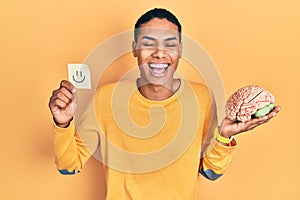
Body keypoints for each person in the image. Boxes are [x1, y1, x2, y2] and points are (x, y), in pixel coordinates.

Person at [49, 8, 281, 199]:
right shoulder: (105, 98)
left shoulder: (201, 98)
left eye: (170, 44)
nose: (160, 53)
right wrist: (62, 123)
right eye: (149, 43)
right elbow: (68, 166)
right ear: (135, 49)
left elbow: (210, 172)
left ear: (180, 50)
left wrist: (224, 136)